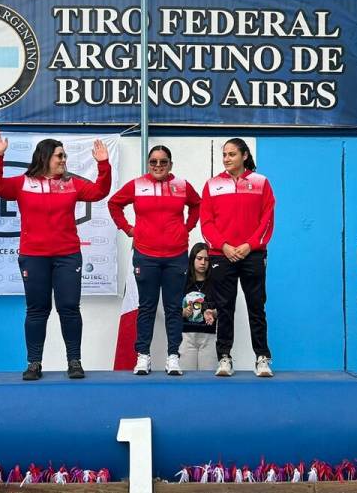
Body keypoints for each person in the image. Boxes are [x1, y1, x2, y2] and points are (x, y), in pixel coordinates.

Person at [0, 128, 111, 381]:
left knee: (69, 308)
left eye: (64, 156)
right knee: (37, 310)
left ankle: (74, 361)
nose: (64, 160)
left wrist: (103, 164)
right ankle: (34, 363)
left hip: (67, 256)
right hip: (34, 256)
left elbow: (99, 192)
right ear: (45, 158)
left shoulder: (71, 183)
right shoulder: (23, 183)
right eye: (59, 156)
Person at [108, 145, 201, 376]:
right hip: (146, 256)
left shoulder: (182, 186)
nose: (158, 166)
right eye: (153, 162)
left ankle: (172, 357)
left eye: (163, 161)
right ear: (148, 164)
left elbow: (198, 205)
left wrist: (186, 228)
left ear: (171, 163)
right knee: (147, 307)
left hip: (175, 256)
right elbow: (114, 203)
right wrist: (129, 229)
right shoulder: (137, 185)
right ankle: (143, 357)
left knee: (172, 308)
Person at [200, 138, 275, 378]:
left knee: (256, 307)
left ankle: (262, 358)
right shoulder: (212, 185)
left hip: (252, 255)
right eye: (224, 155)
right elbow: (206, 222)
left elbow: (267, 218)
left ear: (244, 155)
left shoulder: (261, 182)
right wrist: (223, 246)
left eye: (231, 154)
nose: (226, 159)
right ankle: (224, 357)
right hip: (222, 255)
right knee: (224, 308)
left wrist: (249, 245)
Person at [179, 242, 218, 371]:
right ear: (192, 259)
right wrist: (182, 312)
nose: (203, 263)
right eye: (199, 258)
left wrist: (213, 313)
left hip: (209, 337)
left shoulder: (215, 282)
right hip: (186, 336)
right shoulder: (183, 282)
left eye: (206, 259)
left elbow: (223, 308)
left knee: (208, 380)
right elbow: (171, 307)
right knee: (186, 378)